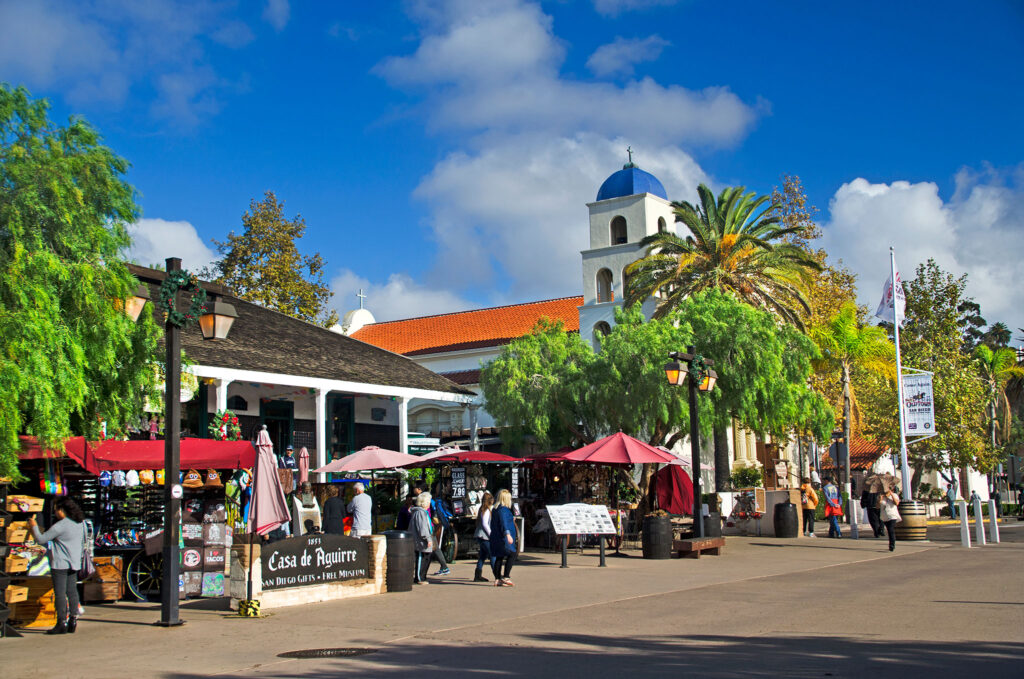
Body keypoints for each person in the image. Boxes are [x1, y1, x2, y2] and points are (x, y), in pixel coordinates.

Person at [28, 497, 86, 634]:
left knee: (60, 593)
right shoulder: (80, 523)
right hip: (74, 562)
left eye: (56, 509)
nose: (55, 512)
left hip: (60, 562)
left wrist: (34, 526)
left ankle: (61, 622)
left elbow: (41, 539)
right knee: (72, 591)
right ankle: (73, 619)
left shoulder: (61, 525)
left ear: (62, 510)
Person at [489, 489, 518, 587]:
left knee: (499, 556)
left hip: (496, 537)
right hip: (503, 538)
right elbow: (503, 523)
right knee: (512, 554)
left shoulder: (495, 509)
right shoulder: (503, 510)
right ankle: (506, 577)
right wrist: (508, 534)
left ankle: (497, 579)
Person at [410, 492, 434, 584]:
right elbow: (422, 528)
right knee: (421, 557)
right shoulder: (420, 512)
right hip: (420, 540)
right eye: (428, 502)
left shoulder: (422, 512)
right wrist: (428, 538)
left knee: (426, 558)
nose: (429, 504)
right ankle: (419, 578)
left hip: (422, 539)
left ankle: (423, 577)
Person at [429, 483, 453, 576]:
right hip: (436, 524)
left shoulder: (433, 501)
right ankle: (444, 567)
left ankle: (444, 566)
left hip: (432, 526)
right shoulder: (438, 501)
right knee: (435, 547)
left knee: (435, 547)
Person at [473, 491, 495, 582]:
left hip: (480, 535)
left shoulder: (483, 508)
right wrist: (491, 535)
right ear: (490, 501)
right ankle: (497, 574)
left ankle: (477, 575)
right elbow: (485, 524)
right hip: (484, 536)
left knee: (483, 555)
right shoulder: (486, 510)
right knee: (493, 555)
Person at [878, 487, 901, 551]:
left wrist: (891, 495)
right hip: (884, 516)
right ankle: (891, 543)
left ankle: (892, 545)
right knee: (889, 530)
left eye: (887, 490)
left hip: (892, 515)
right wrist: (880, 500)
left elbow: (896, 503)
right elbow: (877, 506)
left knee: (891, 530)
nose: (885, 491)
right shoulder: (882, 496)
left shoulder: (894, 495)